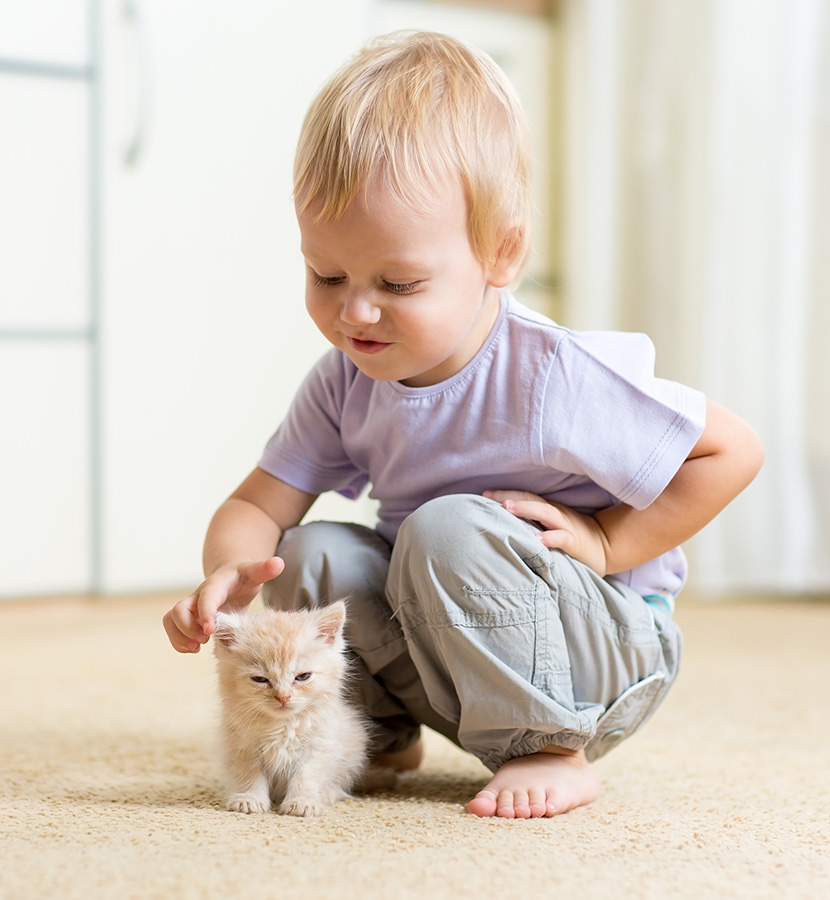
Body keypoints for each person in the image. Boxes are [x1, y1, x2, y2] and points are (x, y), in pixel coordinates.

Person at [162, 30, 764, 819]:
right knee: (307, 552)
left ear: (500, 254)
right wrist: (231, 580)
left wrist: (611, 542)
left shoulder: (552, 374)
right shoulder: (346, 381)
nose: (355, 312)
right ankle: (378, 731)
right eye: (327, 274)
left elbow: (732, 451)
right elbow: (257, 507)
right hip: (455, 641)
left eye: (399, 281)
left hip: (599, 659)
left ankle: (551, 746)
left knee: (445, 529)